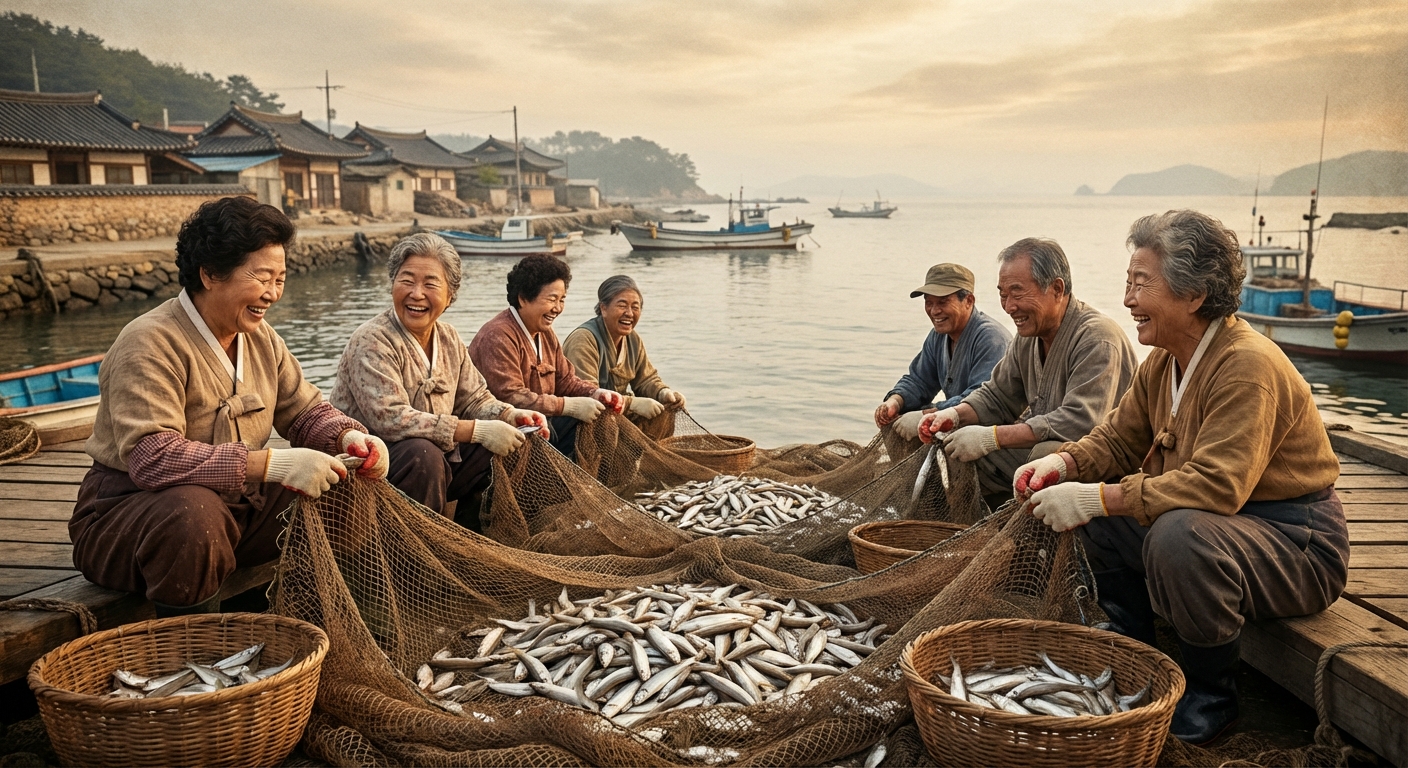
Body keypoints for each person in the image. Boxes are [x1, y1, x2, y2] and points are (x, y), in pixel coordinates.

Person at [1014, 210, 1348, 744]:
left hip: (1298, 544)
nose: (1127, 300)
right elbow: (1119, 439)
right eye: (1127, 283)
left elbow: (1218, 486)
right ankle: (1131, 644)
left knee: (1175, 533)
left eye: (1140, 284)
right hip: (1229, 528)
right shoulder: (1164, 361)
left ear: (1194, 294)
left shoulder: (1247, 365)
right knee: (1102, 516)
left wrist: (1097, 497)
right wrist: (1064, 465)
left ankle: (1212, 697)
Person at [70, 196, 388, 617]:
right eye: (262, 277)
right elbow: (153, 459)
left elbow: (306, 410)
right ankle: (196, 654)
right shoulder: (148, 341)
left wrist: (351, 437)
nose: (272, 293)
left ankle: (349, 622)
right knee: (194, 513)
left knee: (343, 484)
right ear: (211, 273)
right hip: (134, 519)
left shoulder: (261, 337)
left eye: (281, 278)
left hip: (237, 510)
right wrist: (275, 464)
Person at [331, 233, 549, 524]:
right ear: (393, 284)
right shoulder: (372, 340)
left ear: (450, 296)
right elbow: (391, 420)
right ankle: (415, 554)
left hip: (435, 465)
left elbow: (475, 399)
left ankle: (469, 534)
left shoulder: (448, 337)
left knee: (510, 443)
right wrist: (478, 431)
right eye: (406, 280)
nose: (417, 294)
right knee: (423, 454)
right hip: (373, 466)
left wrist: (511, 415)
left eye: (430, 284)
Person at [919, 237, 1137, 504]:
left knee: (1045, 454)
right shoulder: (1027, 336)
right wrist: (953, 415)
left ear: (1057, 289)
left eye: (1017, 292)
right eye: (1002, 294)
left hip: (1099, 464)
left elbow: (1079, 423)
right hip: (1049, 449)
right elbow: (997, 396)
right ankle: (989, 524)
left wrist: (992, 437)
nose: (1009, 306)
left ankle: (1036, 540)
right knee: (956, 447)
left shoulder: (1097, 338)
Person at [468, 254, 622, 460]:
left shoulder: (546, 333)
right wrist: (569, 406)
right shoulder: (497, 335)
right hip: (505, 435)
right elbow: (510, 397)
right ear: (523, 298)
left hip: (546, 424)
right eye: (552, 299)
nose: (558, 308)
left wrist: (595, 393)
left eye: (562, 300)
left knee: (602, 420)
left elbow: (566, 381)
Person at [873, 263, 1011, 440]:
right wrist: (895, 401)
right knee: (899, 416)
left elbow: (981, 399)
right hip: (955, 422)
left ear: (968, 301)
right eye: (929, 303)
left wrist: (926, 415)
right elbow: (919, 381)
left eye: (943, 302)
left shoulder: (991, 338)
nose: (934, 311)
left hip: (990, 432)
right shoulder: (938, 335)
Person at [563, 275, 686, 427]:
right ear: (603, 308)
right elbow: (587, 392)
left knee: (662, 413)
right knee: (607, 423)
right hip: (585, 422)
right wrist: (631, 403)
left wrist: (663, 393)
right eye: (622, 305)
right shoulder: (583, 339)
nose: (629, 313)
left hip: (618, 416)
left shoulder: (633, 339)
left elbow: (646, 380)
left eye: (635, 307)